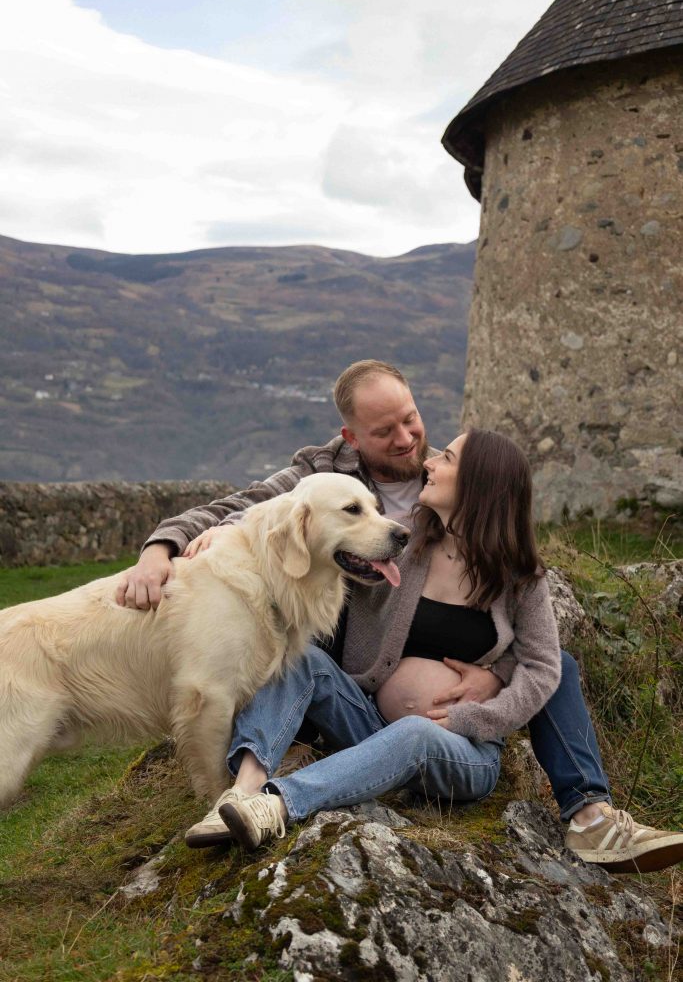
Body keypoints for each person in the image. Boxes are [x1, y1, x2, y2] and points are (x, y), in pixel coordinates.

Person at [117, 360, 683, 873]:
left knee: (545, 669)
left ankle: (280, 806)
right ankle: (240, 794)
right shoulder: (391, 535)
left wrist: (486, 693)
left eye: (429, 439)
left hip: (454, 747)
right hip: (363, 717)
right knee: (297, 659)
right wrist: (174, 544)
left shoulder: (518, 574)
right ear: (353, 438)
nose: (420, 448)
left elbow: (540, 666)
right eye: (387, 432)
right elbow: (259, 509)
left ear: (478, 487)